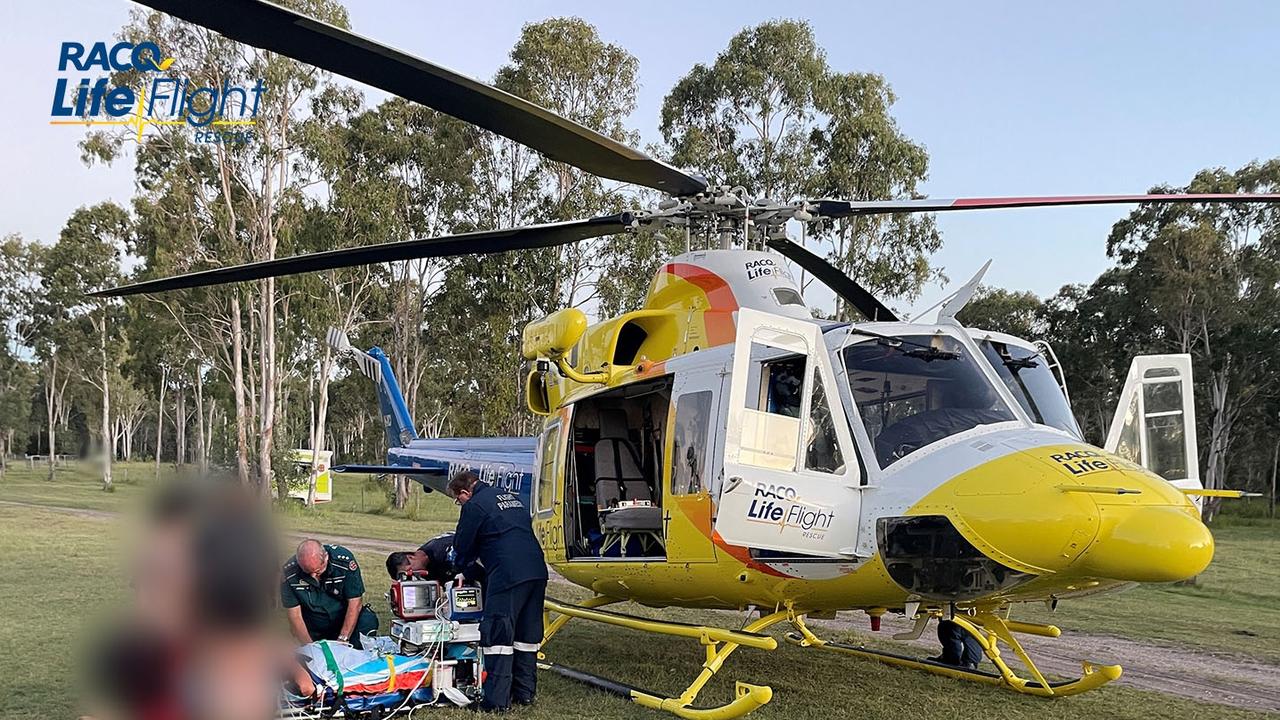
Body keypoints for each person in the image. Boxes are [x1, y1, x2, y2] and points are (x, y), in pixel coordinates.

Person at [449, 471, 548, 712]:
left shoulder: (475, 505)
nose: (459, 504)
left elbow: (462, 545)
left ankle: (496, 702)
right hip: (536, 571)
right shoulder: (513, 499)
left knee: (498, 636)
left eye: (457, 500)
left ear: (465, 492)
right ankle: (524, 694)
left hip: (508, 575)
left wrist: (462, 569)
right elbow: (504, 538)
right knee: (526, 635)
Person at [282, 539, 379, 649]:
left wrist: (343, 638)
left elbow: (355, 603)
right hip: (314, 622)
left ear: (326, 557)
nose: (313, 576)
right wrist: (311, 647)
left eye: (317, 570)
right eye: (308, 573)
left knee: (367, 620)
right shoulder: (289, 573)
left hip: (343, 617)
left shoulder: (344, 562)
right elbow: (295, 616)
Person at [385, 531, 483, 585]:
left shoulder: (440, 551)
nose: (412, 576)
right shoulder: (426, 565)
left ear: (411, 557)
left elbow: (476, 563)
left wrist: (466, 575)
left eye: (409, 571)